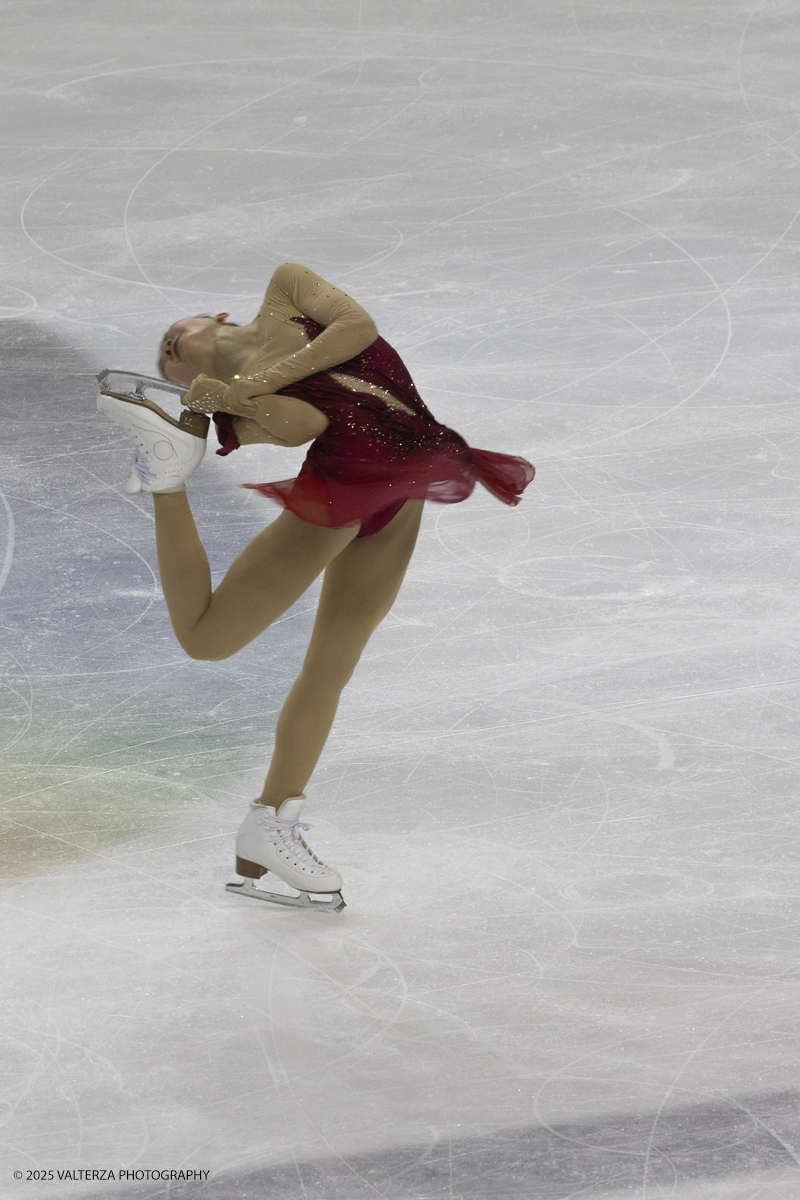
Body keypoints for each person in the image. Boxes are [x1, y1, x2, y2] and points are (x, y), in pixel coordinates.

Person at [98, 263, 534, 911]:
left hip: (406, 485)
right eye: (171, 370)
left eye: (173, 334)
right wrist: (229, 398)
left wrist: (252, 382)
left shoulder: (288, 290)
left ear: (215, 315)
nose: (167, 353)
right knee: (207, 638)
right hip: (346, 493)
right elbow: (303, 427)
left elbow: (358, 325)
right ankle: (164, 480)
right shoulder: (235, 401)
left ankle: (270, 825)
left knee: (331, 667)